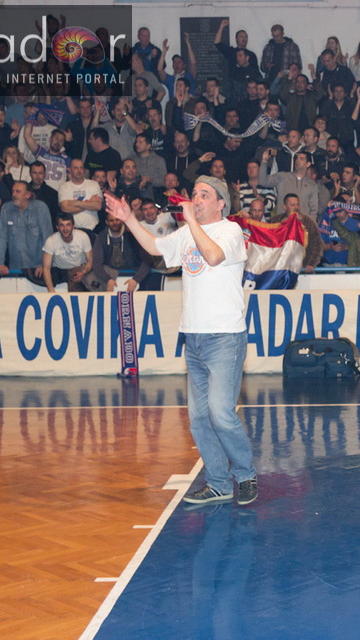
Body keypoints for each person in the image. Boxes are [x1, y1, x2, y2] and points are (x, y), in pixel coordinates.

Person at [105, 176, 258, 506]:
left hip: (225, 338)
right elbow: (155, 248)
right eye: (195, 194)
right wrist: (128, 218)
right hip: (194, 338)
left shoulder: (230, 231)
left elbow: (214, 257)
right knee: (199, 418)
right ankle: (218, 482)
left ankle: (245, 474)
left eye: (205, 195)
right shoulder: (189, 232)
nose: (197, 199)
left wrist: (190, 220)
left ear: (221, 204)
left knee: (221, 413)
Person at [42, 212, 93, 292]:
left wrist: (84, 272)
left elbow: (90, 261)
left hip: (78, 269)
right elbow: (46, 268)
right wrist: (50, 290)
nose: (65, 229)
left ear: (73, 226)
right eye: (62, 225)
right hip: (59, 271)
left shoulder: (83, 237)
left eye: (68, 225)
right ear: (57, 227)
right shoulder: (51, 241)